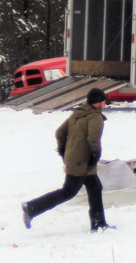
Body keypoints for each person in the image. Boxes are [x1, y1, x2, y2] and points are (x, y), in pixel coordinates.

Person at [21, 87, 113, 233]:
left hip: (74, 159)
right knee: (68, 192)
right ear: (98, 103)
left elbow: (59, 133)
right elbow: (93, 139)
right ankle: (32, 208)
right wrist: (96, 154)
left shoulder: (78, 113)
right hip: (82, 162)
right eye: (104, 102)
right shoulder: (95, 117)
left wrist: (64, 151)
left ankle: (99, 223)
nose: (105, 105)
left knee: (95, 187)